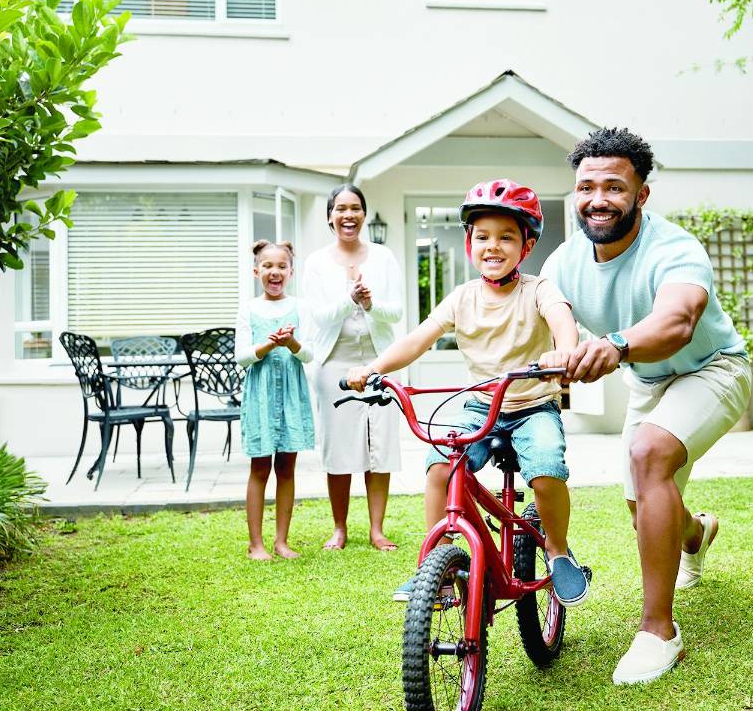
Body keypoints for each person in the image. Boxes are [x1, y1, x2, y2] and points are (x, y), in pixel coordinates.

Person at [540, 128, 752, 684]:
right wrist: (565, 353)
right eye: (587, 187)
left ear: (642, 195)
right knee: (643, 512)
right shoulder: (566, 259)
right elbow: (554, 308)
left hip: (713, 369)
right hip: (651, 381)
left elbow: (677, 323)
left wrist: (615, 346)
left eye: (614, 186)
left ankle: (659, 633)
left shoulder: (674, 247)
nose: (598, 199)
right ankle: (694, 533)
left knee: (648, 453)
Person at [346, 179, 590, 606]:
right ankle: (436, 564)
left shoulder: (539, 289)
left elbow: (560, 319)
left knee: (547, 465)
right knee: (441, 462)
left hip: (533, 405)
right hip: (482, 404)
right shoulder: (462, 298)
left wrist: (565, 353)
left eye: (506, 237)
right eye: (483, 237)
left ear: (526, 246)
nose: (493, 246)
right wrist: (373, 368)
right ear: (469, 244)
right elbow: (418, 339)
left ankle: (556, 549)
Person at [302, 184, 404, 551]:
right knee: (339, 446)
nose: (349, 215)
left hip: (379, 360)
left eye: (355, 208)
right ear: (330, 216)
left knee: (379, 444)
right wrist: (349, 299)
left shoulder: (384, 257)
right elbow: (317, 316)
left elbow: (396, 312)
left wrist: (372, 303)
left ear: (363, 213)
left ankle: (377, 530)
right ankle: (340, 527)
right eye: (341, 208)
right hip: (335, 363)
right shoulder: (316, 263)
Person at [235, 240, 315, 561]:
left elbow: (309, 354)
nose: (274, 271)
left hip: (292, 396)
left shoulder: (301, 307)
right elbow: (241, 357)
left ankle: (281, 541)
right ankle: (256, 544)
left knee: (286, 468)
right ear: (257, 271)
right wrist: (266, 346)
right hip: (260, 396)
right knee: (259, 468)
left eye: (281, 266)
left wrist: (291, 342)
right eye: (267, 266)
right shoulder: (249, 308)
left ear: (290, 271)